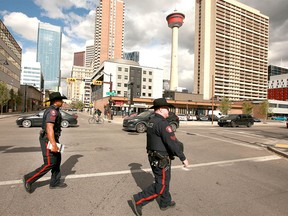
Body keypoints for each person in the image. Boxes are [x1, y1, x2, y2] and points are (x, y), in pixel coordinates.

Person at [131, 98, 189, 215]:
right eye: (167, 109)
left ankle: (165, 202)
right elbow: (172, 142)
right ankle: (139, 199)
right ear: (161, 109)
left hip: (153, 157)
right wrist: (183, 158)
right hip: (161, 158)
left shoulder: (152, 121)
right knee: (161, 185)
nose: (168, 111)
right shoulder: (163, 123)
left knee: (164, 180)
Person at [22, 92, 68, 193]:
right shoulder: (52, 111)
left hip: (52, 138)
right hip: (48, 139)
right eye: (61, 100)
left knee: (57, 160)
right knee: (49, 163)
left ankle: (55, 182)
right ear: (56, 101)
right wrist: (54, 144)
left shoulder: (55, 110)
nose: (62, 102)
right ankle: (29, 179)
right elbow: (49, 128)